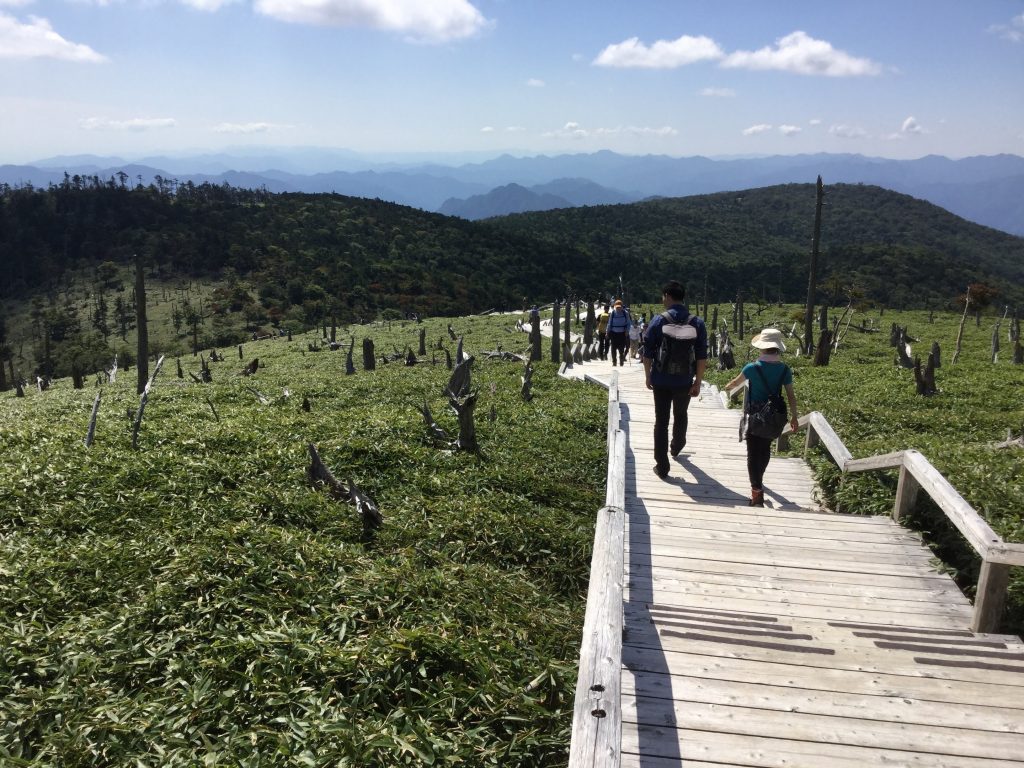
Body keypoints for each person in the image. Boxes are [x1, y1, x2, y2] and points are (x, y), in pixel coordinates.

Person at [725, 328, 800, 507]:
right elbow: (791, 396)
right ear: (777, 348)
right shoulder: (784, 370)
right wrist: (795, 417)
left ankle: (756, 490)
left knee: (752, 452)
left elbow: (735, 382)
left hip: (754, 416)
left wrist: (728, 386)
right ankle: (759, 479)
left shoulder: (752, 368)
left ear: (762, 347)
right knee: (765, 449)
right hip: (773, 416)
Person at [642, 282, 708, 478]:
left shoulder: (658, 320)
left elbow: (647, 352)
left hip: (661, 380)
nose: (662, 300)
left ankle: (662, 466)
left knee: (661, 422)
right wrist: (697, 382)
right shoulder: (697, 322)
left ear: (668, 296)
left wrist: (648, 375)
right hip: (684, 380)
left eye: (663, 297)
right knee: (681, 414)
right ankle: (677, 446)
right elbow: (701, 355)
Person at [607, 299, 631, 366]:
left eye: (619, 307)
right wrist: (607, 332)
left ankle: (621, 361)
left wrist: (627, 331)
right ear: (615, 306)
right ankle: (614, 362)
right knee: (613, 349)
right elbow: (609, 323)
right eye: (617, 307)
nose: (618, 308)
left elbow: (628, 323)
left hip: (622, 333)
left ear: (622, 306)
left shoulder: (625, 313)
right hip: (614, 333)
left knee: (621, 349)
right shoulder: (613, 313)